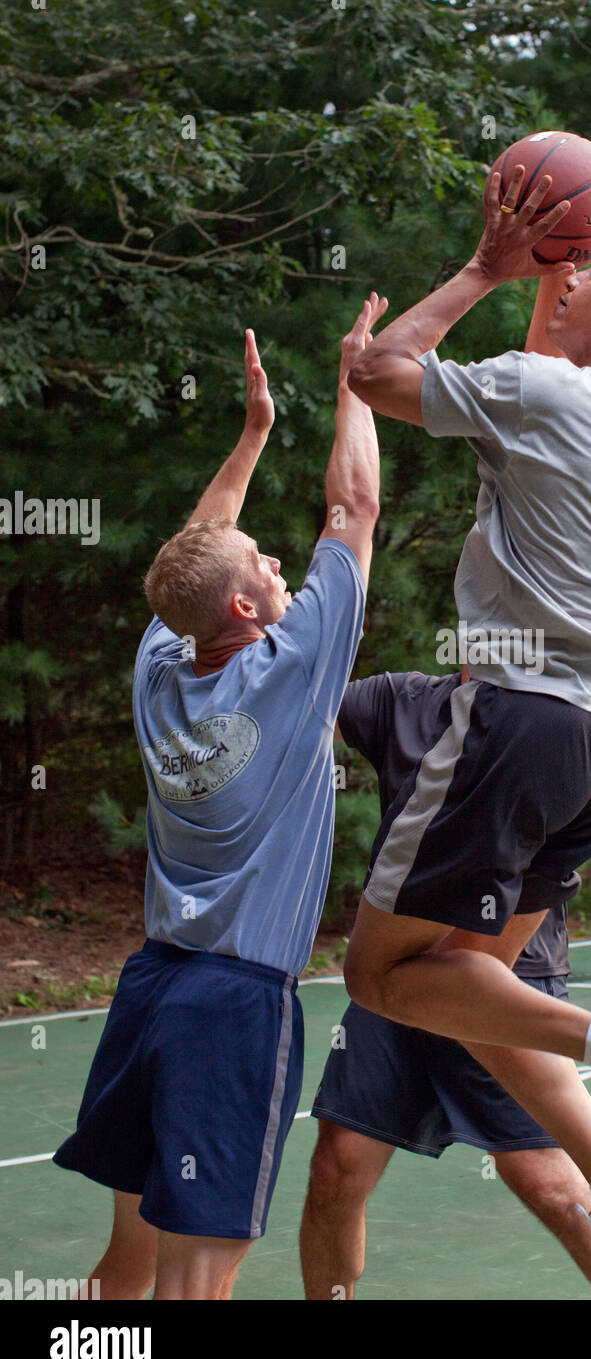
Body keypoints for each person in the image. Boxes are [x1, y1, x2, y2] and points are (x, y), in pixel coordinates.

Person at [342, 167, 591, 1300]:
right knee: (466, 991)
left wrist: (481, 269)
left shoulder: (546, 395)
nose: (573, 273)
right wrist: (545, 281)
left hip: (514, 723)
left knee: (380, 976)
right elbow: (545, 371)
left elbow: (372, 374)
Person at [52, 298, 386, 1300]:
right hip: (234, 1003)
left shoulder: (163, 660)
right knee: (199, 1284)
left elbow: (196, 551)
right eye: (265, 566)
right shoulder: (291, 671)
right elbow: (353, 509)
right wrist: (353, 381)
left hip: (149, 988)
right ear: (245, 606)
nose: (281, 563)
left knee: (128, 1270)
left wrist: (251, 435)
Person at [301, 668, 591, 1301]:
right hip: (401, 967)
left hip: (503, 968)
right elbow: (305, 682)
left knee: (550, 1185)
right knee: (336, 1169)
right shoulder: (404, 699)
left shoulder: (562, 709)